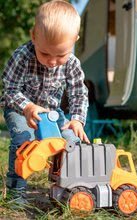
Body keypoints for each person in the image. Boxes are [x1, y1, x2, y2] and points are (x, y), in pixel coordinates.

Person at [0, 0, 89, 206]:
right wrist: (28, 107)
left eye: (61, 55)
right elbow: (10, 90)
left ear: (74, 40)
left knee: (72, 141)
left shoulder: (73, 64)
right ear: (34, 36)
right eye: (45, 53)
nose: (52, 61)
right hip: (21, 110)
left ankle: (67, 185)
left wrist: (77, 120)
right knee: (24, 140)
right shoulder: (22, 56)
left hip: (51, 114)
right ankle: (17, 190)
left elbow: (78, 93)